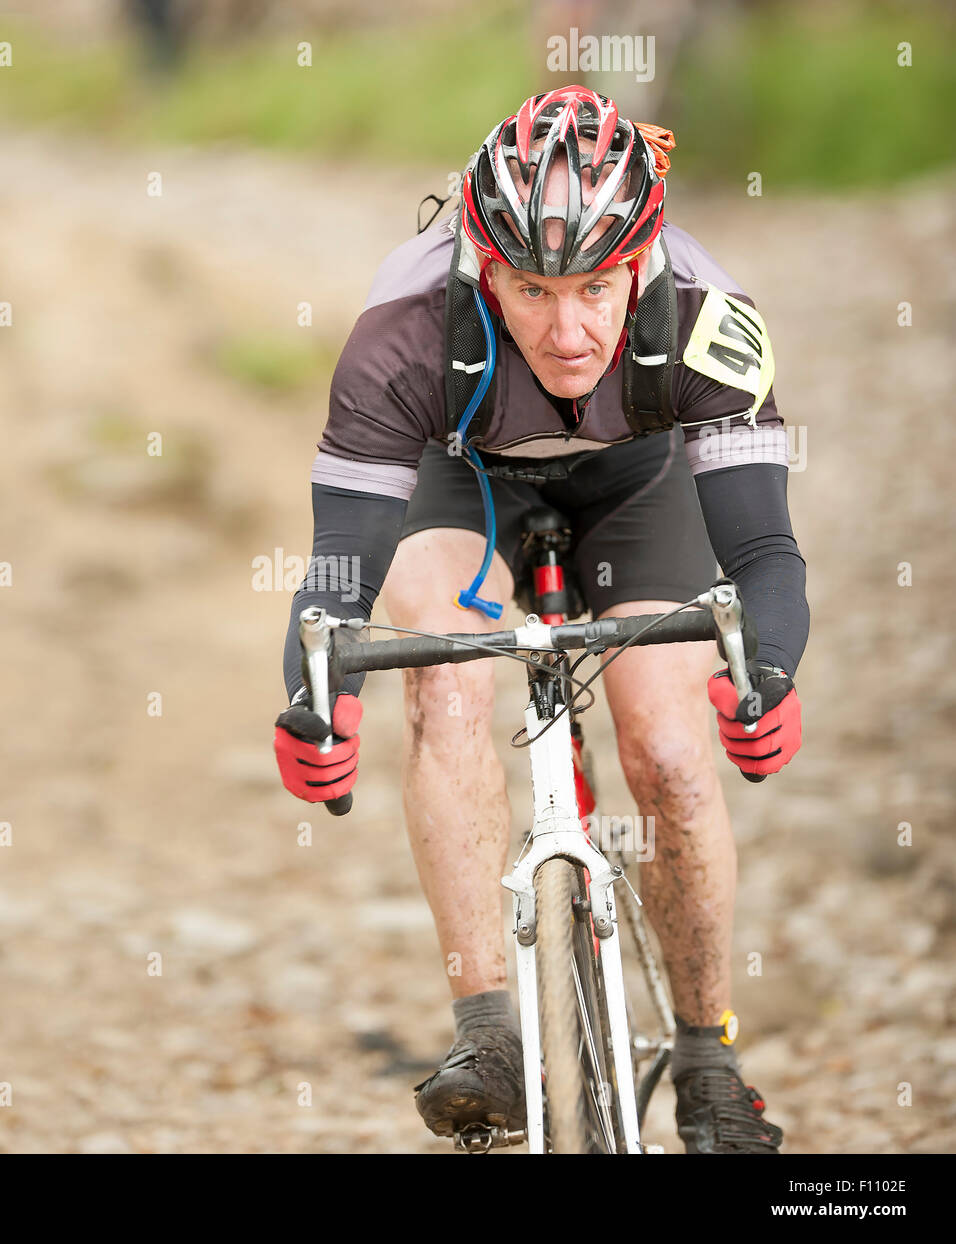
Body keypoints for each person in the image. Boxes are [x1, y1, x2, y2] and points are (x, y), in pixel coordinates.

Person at [273, 86, 805, 1153]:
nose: (567, 331)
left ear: (642, 262)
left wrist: (770, 673)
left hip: (636, 486)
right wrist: (311, 692)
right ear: (481, 264)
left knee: (664, 745)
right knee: (447, 677)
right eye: (530, 289)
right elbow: (341, 558)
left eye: (598, 287)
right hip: (461, 478)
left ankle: (706, 1058)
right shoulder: (405, 326)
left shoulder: (702, 312)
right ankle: (490, 1036)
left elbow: (759, 551)